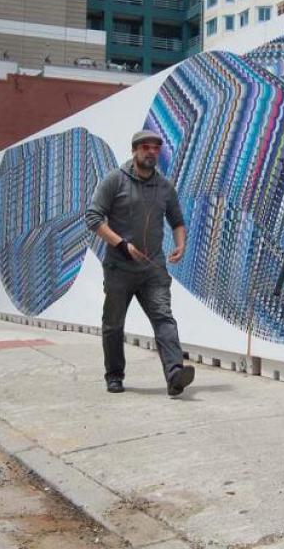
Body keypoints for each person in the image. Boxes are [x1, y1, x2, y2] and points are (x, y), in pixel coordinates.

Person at [85, 130, 195, 397]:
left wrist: (180, 244)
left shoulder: (165, 187)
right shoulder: (115, 180)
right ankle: (114, 375)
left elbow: (177, 221)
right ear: (135, 150)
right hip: (119, 268)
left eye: (156, 148)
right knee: (113, 324)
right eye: (146, 147)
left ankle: (174, 375)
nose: (151, 152)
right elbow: (93, 217)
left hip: (153, 270)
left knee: (164, 318)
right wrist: (122, 244)